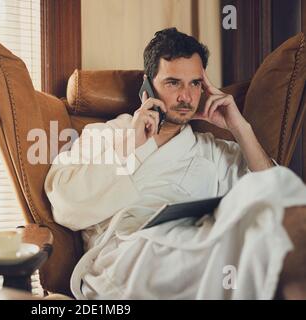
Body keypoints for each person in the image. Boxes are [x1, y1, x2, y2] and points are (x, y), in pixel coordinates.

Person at [44, 28, 306, 299]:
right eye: (173, 83)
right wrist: (131, 145)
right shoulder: (106, 135)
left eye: (194, 83)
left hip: (200, 243)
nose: (186, 96)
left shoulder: (212, 150)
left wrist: (239, 127)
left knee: (283, 231)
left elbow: (276, 193)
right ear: (147, 87)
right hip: (128, 255)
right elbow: (65, 205)